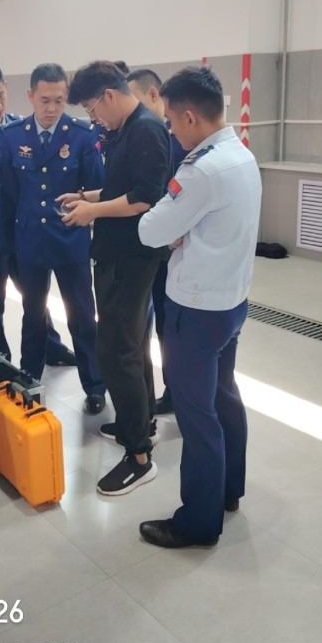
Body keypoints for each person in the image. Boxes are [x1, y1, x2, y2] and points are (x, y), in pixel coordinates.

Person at [137, 66, 261, 547]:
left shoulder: (202, 170)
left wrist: (176, 230)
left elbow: (150, 231)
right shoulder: (241, 155)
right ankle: (229, 490)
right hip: (231, 303)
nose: (170, 131)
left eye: (171, 121)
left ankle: (199, 522)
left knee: (196, 414)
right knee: (224, 396)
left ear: (190, 116)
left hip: (196, 310)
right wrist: (183, 229)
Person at [63, 61, 170, 496]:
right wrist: (85, 197)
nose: (94, 118)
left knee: (117, 351)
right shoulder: (126, 129)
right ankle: (138, 422)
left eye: (92, 108)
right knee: (131, 346)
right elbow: (122, 188)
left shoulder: (146, 129)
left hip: (132, 259)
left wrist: (93, 211)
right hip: (116, 255)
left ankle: (139, 456)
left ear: (109, 95)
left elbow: (145, 198)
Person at [0, 61, 76, 366]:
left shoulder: (21, 128)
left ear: (7, 88)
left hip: (24, 230)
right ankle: (1, 358)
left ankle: (51, 347)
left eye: (0, 96)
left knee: (35, 296)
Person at [0, 63, 106, 414]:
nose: (51, 108)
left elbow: (96, 188)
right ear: (30, 96)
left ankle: (95, 385)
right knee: (33, 316)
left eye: (59, 101)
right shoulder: (12, 136)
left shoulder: (82, 135)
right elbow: (10, 194)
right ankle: (29, 380)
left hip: (71, 240)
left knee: (82, 317)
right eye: (45, 100)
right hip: (30, 241)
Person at [126, 68, 188, 416]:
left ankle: (177, 392)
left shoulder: (179, 141)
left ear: (153, 95)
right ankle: (163, 392)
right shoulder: (140, 135)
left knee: (169, 325)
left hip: (172, 250)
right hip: (149, 245)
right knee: (149, 323)